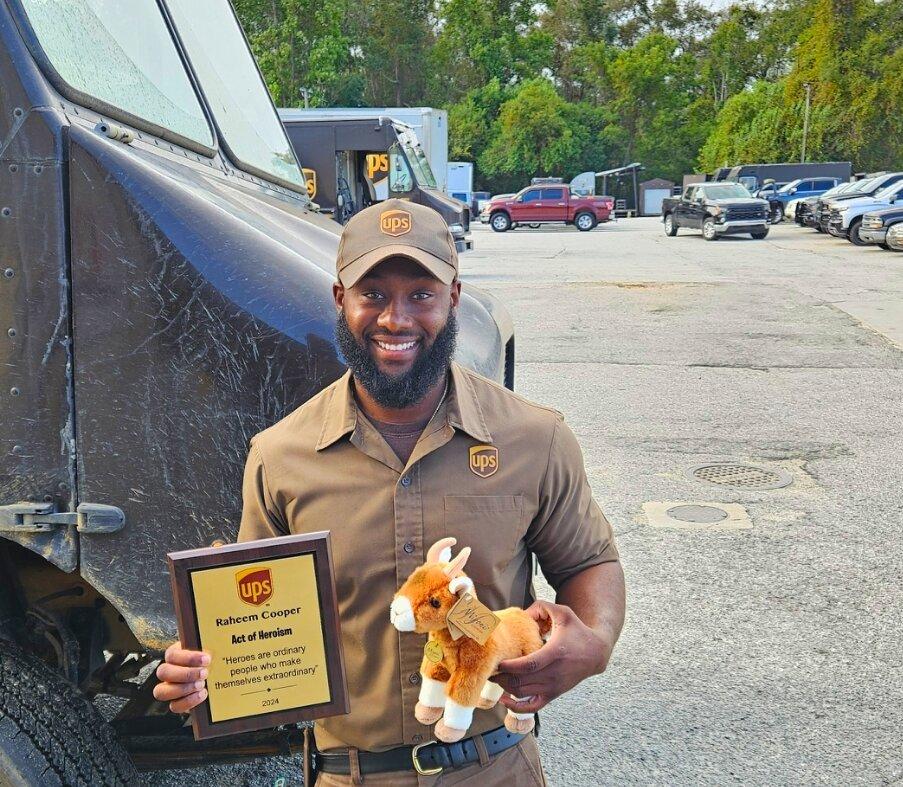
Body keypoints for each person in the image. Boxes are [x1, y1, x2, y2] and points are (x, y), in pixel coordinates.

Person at [154, 199, 626, 784]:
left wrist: (595, 642)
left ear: (454, 299)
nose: (395, 319)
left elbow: (588, 562)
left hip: (494, 768)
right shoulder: (280, 457)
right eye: (372, 294)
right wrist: (203, 676)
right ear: (340, 300)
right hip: (348, 773)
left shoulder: (534, 438)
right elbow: (252, 618)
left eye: (421, 294)